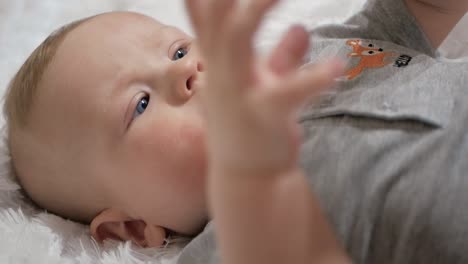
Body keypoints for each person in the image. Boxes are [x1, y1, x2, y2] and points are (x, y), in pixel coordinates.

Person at [3, 0, 468, 263]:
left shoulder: (318, 50)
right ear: (132, 228)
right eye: (140, 104)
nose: (187, 72)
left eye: (178, 50)